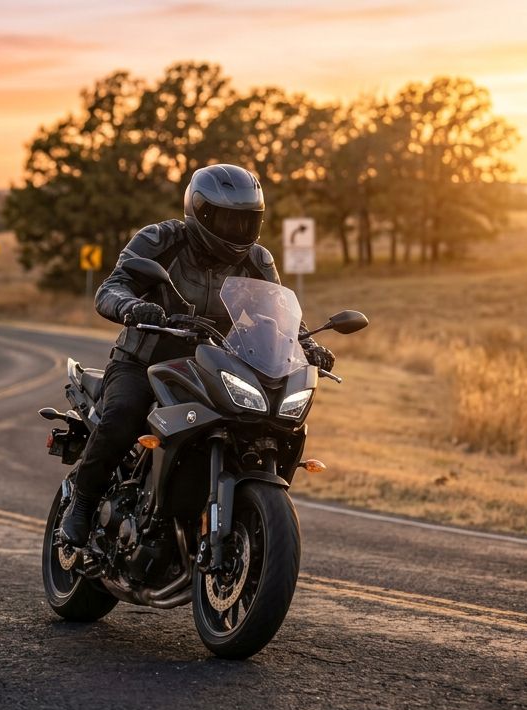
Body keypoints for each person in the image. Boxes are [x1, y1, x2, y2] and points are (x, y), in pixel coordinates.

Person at [59, 164, 334, 547]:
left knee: (264, 423)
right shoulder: (161, 239)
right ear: (199, 212)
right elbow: (112, 286)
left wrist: (306, 344)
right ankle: (83, 506)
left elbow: (279, 312)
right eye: (224, 219)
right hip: (146, 360)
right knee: (122, 418)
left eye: (244, 221)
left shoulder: (257, 260)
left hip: (215, 365)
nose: (235, 230)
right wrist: (131, 308)